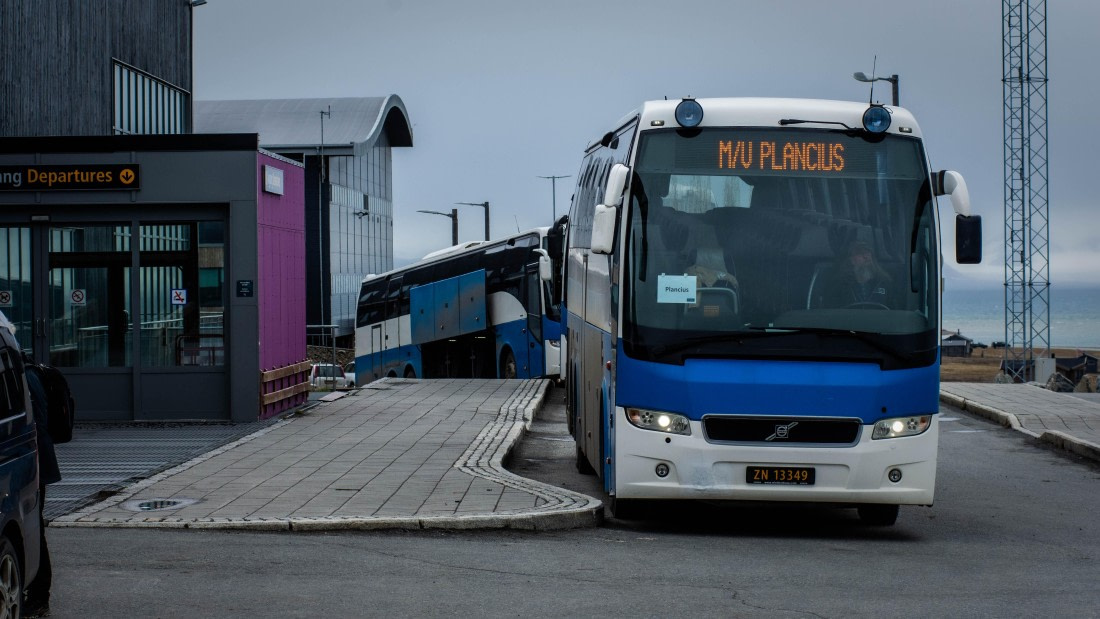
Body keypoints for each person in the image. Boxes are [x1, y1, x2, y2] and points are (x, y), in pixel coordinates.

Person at [0, 311, 59, 617]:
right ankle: (36, 593)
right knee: (34, 526)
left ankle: (39, 595)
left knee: (33, 527)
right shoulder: (28, 370)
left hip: (31, 460)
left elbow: (32, 422)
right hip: (37, 458)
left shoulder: (24, 374)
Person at [820, 240, 892, 308]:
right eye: (860, 253)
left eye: (868, 253)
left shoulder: (884, 282)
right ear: (851, 260)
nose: (866, 256)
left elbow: (894, 310)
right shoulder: (840, 285)